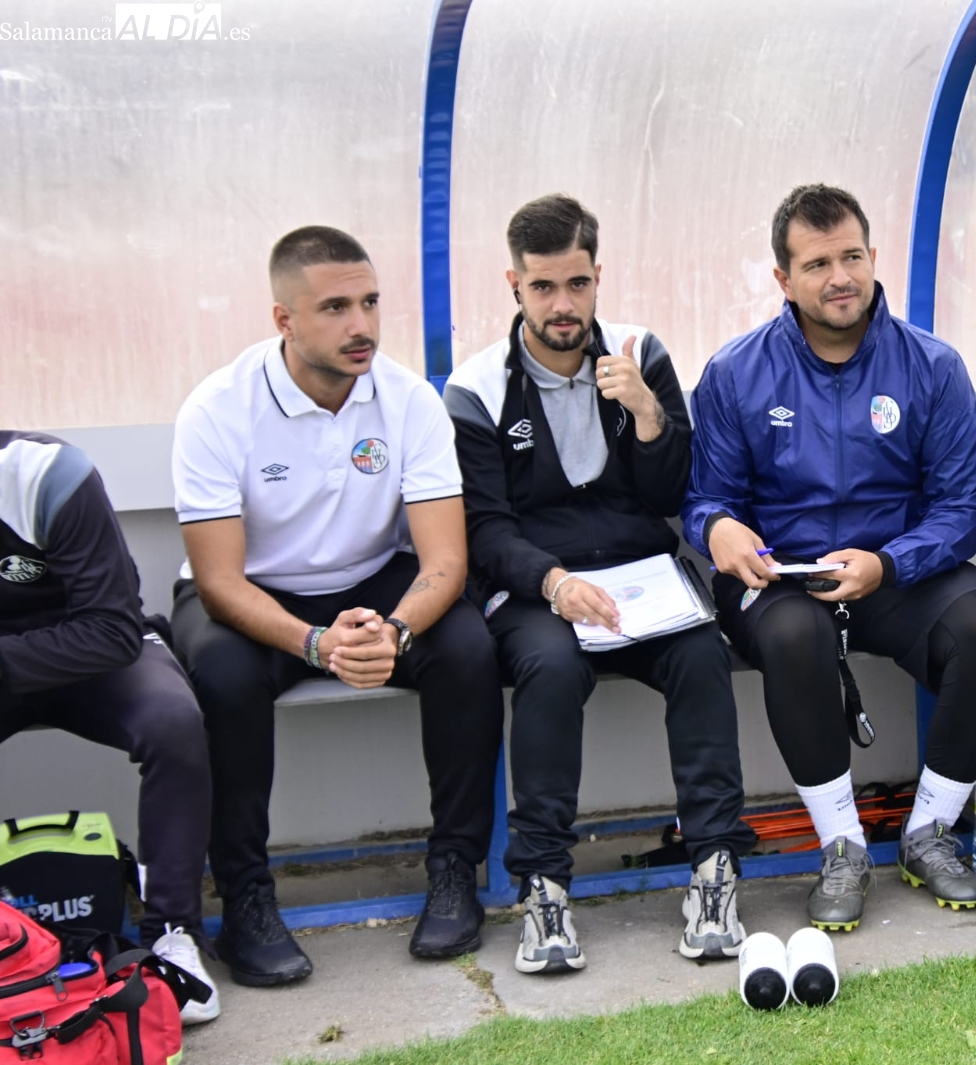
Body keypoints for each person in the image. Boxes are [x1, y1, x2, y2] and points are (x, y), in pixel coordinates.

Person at [683, 185, 976, 933]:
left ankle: (928, 831)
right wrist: (719, 530)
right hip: (782, 581)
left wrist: (888, 564)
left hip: (892, 572)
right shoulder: (735, 372)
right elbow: (706, 498)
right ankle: (842, 846)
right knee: (793, 633)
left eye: (851, 257)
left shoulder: (932, 366)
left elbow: (968, 504)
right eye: (817, 264)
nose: (839, 278)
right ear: (784, 280)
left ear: (873, 257)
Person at [170, 227, 505, 986]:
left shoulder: (409, 399)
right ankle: (246, 901)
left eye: (371, 302)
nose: (363, 326)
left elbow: (445, 562)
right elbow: (218, 580)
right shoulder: (217, 408)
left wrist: (394, 630)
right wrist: (317, 643)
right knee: (221, 675)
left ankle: (455, 871)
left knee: (467, 648)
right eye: (335, 308)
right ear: (284, 319)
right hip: (253, 590)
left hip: (375, 581)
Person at [443, 195, 757, 974]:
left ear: (598, 277)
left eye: (577, 284)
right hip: (537, 588)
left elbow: (671, 493)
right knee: (551, 668)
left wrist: (649, 415)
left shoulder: (641, 353)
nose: (563, 305)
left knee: (701, 654)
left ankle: (714, 867)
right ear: (514, 285)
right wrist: (552, 583)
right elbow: (485, 530)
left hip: (643, 577)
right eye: (543, 287)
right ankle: (544, 885)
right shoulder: (476, 388)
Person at [0, 433, 219, 1024]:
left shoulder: (47, 474)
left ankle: (171, 933)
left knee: (174, 723)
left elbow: (112, 631)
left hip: (92, 650)